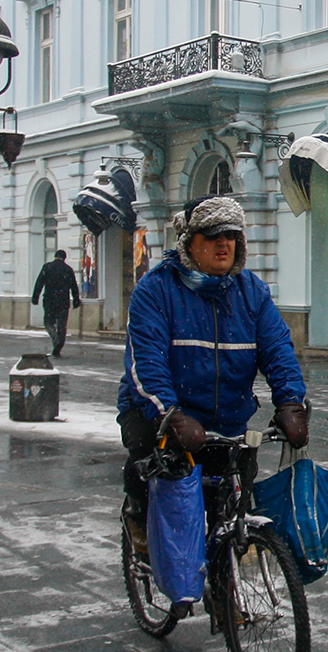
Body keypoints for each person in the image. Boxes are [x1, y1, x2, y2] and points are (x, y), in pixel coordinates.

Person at [115, 196, 309, 555]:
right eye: (213, 235)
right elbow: (146, 364)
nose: (224, 243)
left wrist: (290, 402)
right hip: (157, 414)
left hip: (227, 422)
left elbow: (278, 348)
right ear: (189, 242)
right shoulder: (156, 290)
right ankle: (138, 516)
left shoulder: (252, 292)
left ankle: (227, 597)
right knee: (151, 470)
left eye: (232, 235)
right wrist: (170, 415)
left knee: (231, 519)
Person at [31, 249, 82, 358]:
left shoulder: (47, 267)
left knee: (48, 322)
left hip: (50, 299)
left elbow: (39, 283)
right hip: (63, 300)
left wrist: (35, 297)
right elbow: (74, 286)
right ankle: (59, 344)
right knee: (62, 324)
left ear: (55, 256)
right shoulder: (68, 270)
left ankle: (55, 337)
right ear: (64, 258)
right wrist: (76, 300)